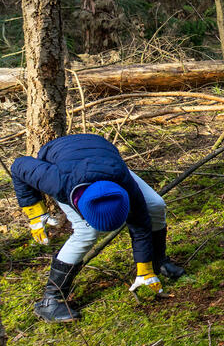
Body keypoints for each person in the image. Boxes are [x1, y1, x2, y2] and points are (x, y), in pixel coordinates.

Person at [11, 133, 185, 322]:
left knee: (155, 205)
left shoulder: (126, 186)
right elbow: (19, 165)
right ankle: (50, 301)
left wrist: (144, 269)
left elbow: (140, 224)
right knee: (86, 232)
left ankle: (157, 262)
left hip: (104, 160)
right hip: (61, 158)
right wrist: (34, 211)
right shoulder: (56, 181)